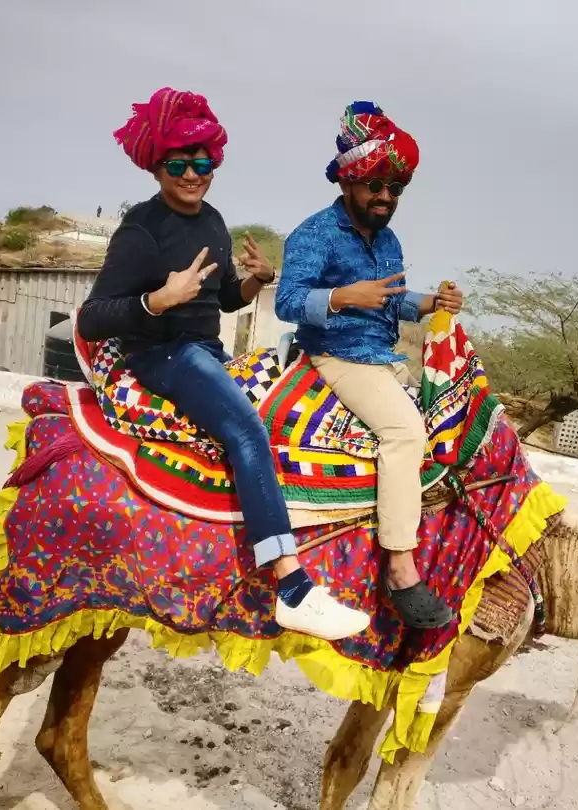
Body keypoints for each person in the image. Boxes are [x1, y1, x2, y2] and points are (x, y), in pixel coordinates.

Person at [76, 87, 370, 642]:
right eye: (178, 163)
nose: (192, 173)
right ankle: (292, 587)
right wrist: (156, 301)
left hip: (208, 352)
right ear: (156, 165)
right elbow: (92, 318)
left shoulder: (212, 220)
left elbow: (222, 298)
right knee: (246, 429)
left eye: (202, 161)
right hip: (161, 354)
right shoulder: (141, 230)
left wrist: (256, 280)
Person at [275, 101, 464, 629]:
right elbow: (287, 301)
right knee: (405, 433)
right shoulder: (315, 234)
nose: (385, 197)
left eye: (395, 189)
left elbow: (393, 299)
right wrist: (340, 297)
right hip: (337, 354)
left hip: (384, 357)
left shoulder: (389, 240)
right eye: (375, 186)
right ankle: (401, 568)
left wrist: (433, 302)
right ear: (348, 182)